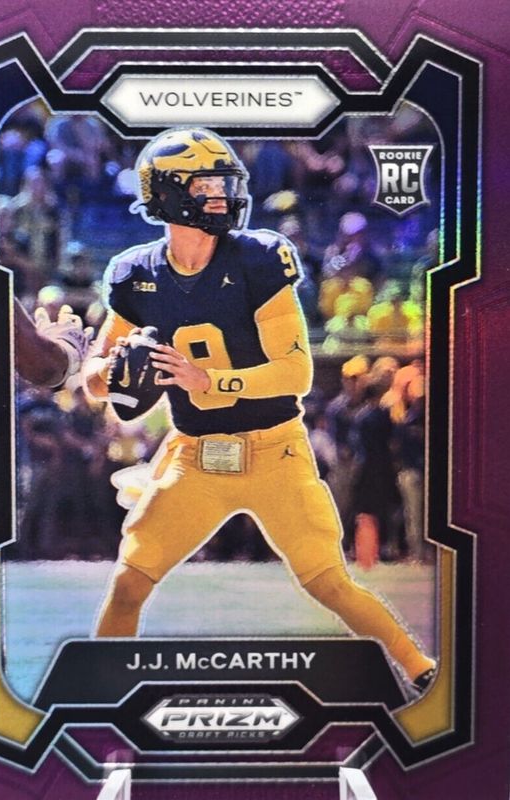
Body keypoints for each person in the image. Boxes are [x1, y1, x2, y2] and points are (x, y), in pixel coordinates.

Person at [83, 128, 435, 691]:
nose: (221, 195)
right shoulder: (137, 273)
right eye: (205, 185)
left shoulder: (258, 258)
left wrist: (208, 379)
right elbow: (98, 378)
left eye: (223, 184)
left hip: (275, 453)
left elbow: (294, 372)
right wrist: (109, 369)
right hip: (194, 458)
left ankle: (417, 666)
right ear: (168, 192)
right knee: (128, 582)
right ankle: (99, 689)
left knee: (328, 582)